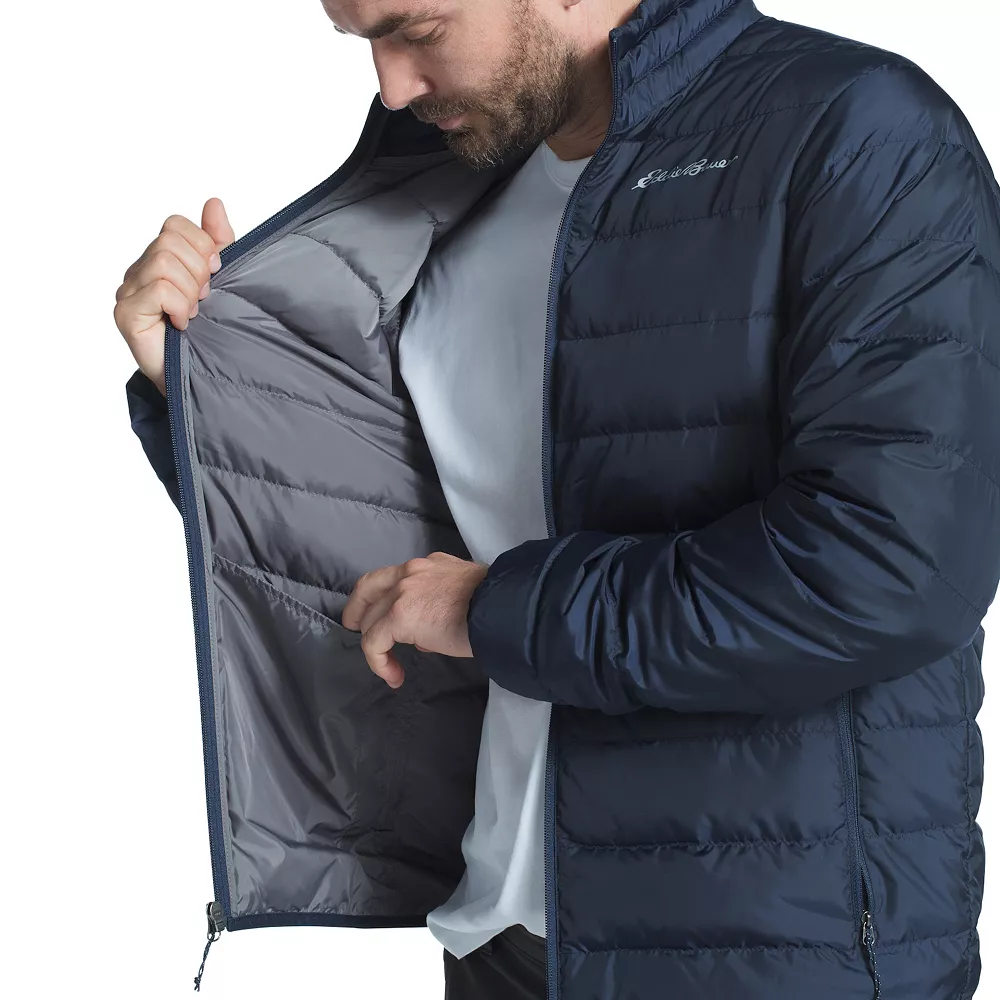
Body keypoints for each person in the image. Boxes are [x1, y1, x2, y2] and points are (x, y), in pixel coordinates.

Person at [115, 2, 1000, 998]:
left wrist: (493, 609)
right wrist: (203, 384)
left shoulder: (858, 134)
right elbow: (391, 578)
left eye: (417, 29)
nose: (390, 87)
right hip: (506, 938)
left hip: (774, 955)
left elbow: (893, 569)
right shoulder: (448, 191)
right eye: (362, 40)